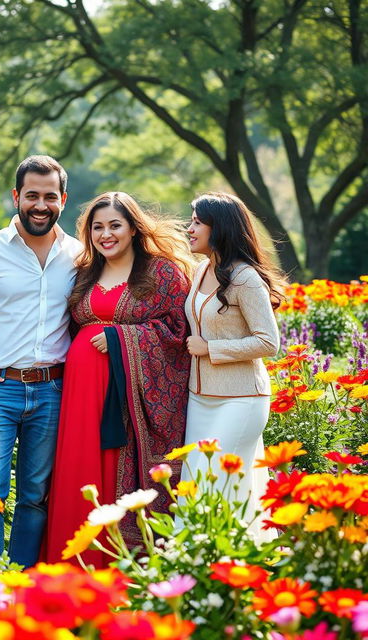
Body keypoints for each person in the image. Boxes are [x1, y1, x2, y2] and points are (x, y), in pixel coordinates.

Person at [44, 192, 194, 567]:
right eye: (97, 227)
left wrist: (120, 338)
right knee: (78, 473)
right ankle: (71, 569)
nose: (105, 234)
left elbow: (178, 331)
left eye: (115, 225)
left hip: (128, 397)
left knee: (112, 474)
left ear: (133, 228)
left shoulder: (160, 273)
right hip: (80, 392)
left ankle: (117, 569)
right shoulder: (85, 272)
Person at [0, 155, 82, 568]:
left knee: (36, 492)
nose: (40, 205)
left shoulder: (79, 255)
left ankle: (21, 574)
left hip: (54, 389)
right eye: (31, 196)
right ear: (16, 197)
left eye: (49, 196)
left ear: (63, 198)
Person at [182, 192, 284, 537]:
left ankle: (230, 570)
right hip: (199, 398)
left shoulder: (246, 279)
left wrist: (211, 348)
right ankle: (200, 569)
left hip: (241, 400)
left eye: (197, 222)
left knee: (218, 489)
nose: (190, 228)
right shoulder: (200, 270)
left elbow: (269, 342)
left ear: (219, 227)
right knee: (195, 484)